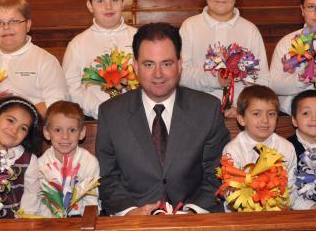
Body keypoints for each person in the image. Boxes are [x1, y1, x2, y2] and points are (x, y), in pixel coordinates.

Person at [96, 22, 230, 216]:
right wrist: (131, 212)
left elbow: (217, 174)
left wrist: (192, 212)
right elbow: (107, 178)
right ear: (135, 66)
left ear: (180, 64)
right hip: (133, 227)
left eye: (166, 64)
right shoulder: (111, 113)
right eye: (149, 64)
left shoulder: (207, 109)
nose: (158, 74)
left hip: (195, 224)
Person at [179, 0, 269, 118]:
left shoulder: (249, 30)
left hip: (240, 113)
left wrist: (240, 107)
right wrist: (215, 79)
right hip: (197, 111)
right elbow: (180, 74)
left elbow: (261, 79)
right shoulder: (190, 27)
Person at [62, 0, 137, 119]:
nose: (108, 6)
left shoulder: (139, 38)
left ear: (123, 2)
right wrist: (100, 110)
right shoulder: (78, 44)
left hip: (136, 115)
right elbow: (71, 87)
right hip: (94, 117)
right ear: (90, 5)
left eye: (114, 0)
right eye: (100, 1)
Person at [220, 85, 296, 212]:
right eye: (256, 114)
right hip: (241, 214)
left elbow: (292, 187)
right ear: (241, 119)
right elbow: (230, 192)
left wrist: (278, 204)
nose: (265, 120)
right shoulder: (232, 150)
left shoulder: (286, 148)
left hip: (278, 212)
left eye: (271, 114)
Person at [0, 96, 43, 218]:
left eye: (23, 128)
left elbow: (31, 199)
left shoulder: (28, 160)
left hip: (16, 227)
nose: (14, 130)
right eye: (11, 120)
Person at [36, 101, 100, 217]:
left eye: (72, 130)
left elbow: (91, 201)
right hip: (48, 223)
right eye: (57, 130)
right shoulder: (40, 165)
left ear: (81, 133)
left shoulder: (89, 163)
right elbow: (39, 203)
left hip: (80, 222)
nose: (65, 136)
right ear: (46, 133)